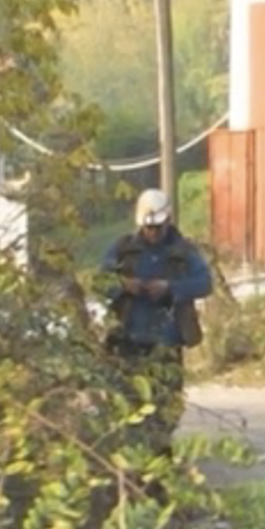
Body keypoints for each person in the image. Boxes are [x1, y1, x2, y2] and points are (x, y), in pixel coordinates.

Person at [100, 187, 211, 458]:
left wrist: (171, 288)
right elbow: (99, 281)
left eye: (157, 228)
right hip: (128, 342)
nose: (152, 234)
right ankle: (134, 460)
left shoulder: (184, 253)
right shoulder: (123, 249)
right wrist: (124, 285)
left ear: (168, 221)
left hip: (167, 343)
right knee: (129, 404)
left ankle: (160, 457)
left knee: (167, 406)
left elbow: (205, 282)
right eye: (148, 229)